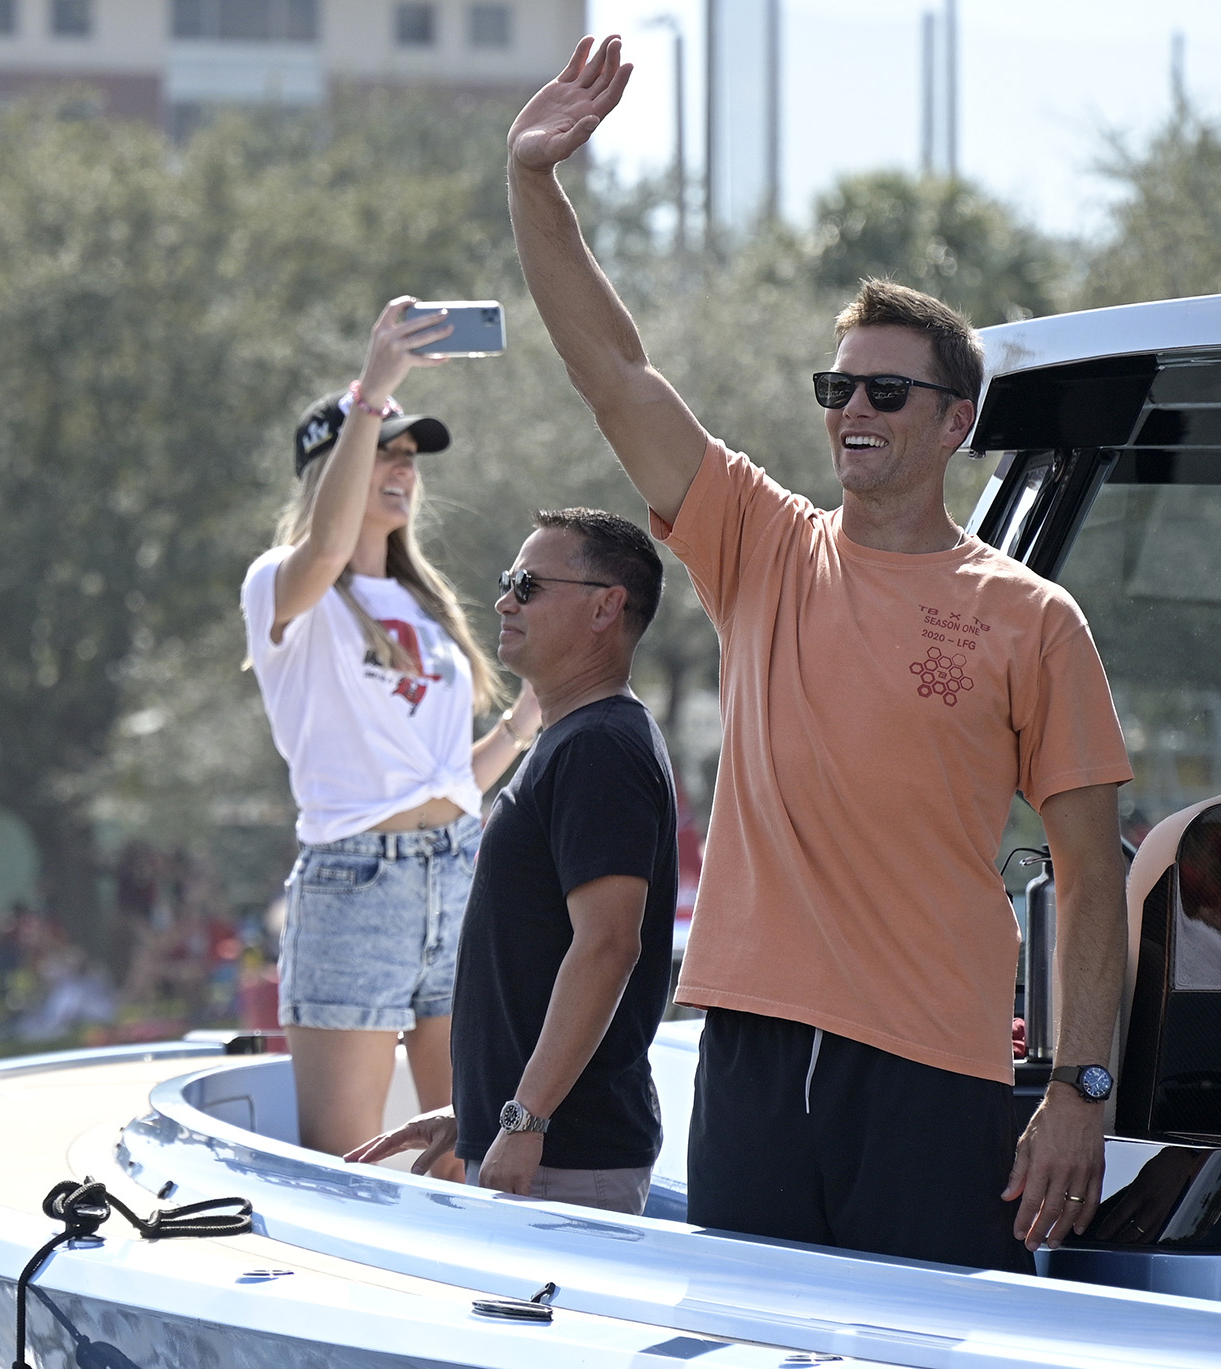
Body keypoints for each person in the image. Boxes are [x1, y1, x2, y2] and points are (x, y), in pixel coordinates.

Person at [505, 37, 1135, 1270]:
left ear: (956, 422)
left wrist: (1080, 1089)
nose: (851, 410)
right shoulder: (762, 545)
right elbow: (613, 369)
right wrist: (533, 183)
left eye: (885, 394)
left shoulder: (1031, 617)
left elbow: (1089, 876)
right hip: (747, 1052)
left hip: (931, 1069)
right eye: (834, 388)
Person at [241, 298, 542, 1175]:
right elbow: (327, 550)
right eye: (383, 451)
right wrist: (371, 389)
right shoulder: (284, 589)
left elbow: (447, 778)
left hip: (457, 874)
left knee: (463, 1158)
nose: (403, 469)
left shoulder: (426, 606)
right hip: (355, 884)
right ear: (331, 466)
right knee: (347, 1166)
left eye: (411, 457)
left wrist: (526, 721)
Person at [347, 509, 678, 1215]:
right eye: (507, 582)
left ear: (604, 606)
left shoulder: (601, 748)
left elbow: (608, 945)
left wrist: (524, 1119)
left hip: (562, 1158)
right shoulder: (578, 739)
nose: (503, 600)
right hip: (537, 1148)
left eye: (527, 584)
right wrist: (477, 1111)